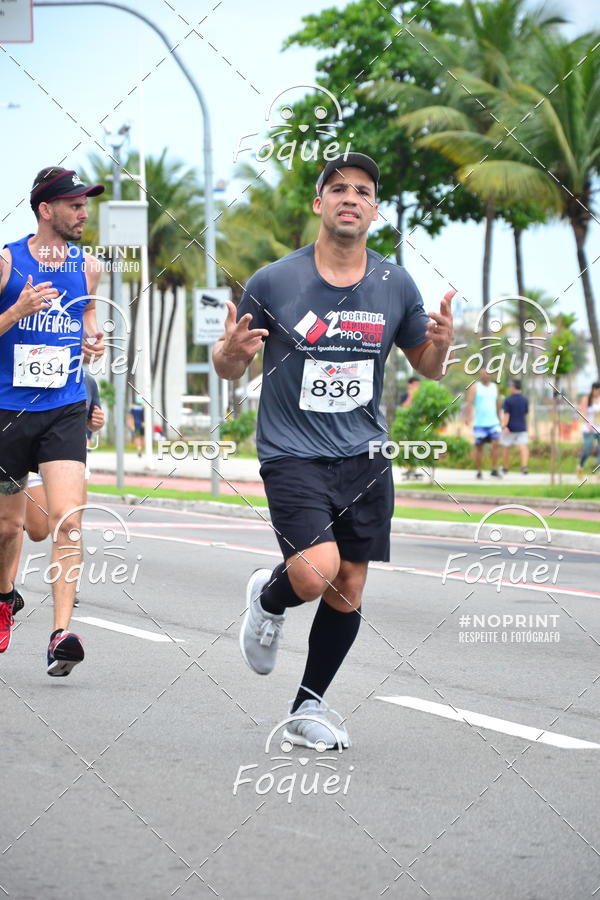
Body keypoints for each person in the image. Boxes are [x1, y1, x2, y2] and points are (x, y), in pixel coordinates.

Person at [213, 153, 455, 749]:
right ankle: (270, 597)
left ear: (375, 210)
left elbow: (426, 365)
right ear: (319, 203)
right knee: (315, 572)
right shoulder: (275, 281)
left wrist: (443, 346)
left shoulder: (395, 284)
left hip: (365, 456)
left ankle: (307, 708)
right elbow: (227, 364)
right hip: (292, 451)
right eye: (339, 188)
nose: (352, 197)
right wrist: (232, 353)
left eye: (364, 191)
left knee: (348, 583)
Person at [0, 166, 105, 671]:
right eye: (74, 205)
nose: (83, 213)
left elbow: (87, 322)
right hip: (8, 413)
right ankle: (4, 599)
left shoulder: (89, 267)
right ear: (46, 210)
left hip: (63, 407)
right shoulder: (6, 263)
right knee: (7, 527)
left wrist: (93, 340)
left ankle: (60, 633)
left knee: (69, 520)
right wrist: (15, 312)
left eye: (85, 205)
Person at [9, 371, 105, 607]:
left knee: (70, 524)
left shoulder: (86, 380)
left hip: (69, 456)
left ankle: (67, 588)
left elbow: (91, 419)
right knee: (36, 530)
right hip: (30, 454)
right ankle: (6, 585)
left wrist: (95, 422)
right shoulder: (22, 371)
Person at [465, 371, 502, 479]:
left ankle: (494, 469)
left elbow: (497, 403)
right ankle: (479, 471)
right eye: (483, 373)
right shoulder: (475, 387)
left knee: (495, 445)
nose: (485, 375)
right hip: (479, 423)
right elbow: (469, 402)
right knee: (479, 447)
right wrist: (468, 416)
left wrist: (500, 418)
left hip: (493, 422)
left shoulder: (495, 387)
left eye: (487, 373)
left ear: (491, 375)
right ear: (480, 375)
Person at [501, 379, 529, 474]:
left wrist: (504, 426)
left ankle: (505, 467)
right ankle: (524, 467)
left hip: (510, 428)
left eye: (510, 386)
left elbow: (506, 415)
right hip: (522, 427)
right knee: (523, 446)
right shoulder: (525, 400)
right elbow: (525, 413)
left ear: (513, 387)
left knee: (506, 447)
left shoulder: (508, 400)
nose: (509, 388)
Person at [576, 381, 600, 477]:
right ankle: (580, 466)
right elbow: (583, 413)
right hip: (589, 430)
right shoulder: (586, 399)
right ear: (594, 389)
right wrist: (588, 424)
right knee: (588, 449)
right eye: (598, 391)